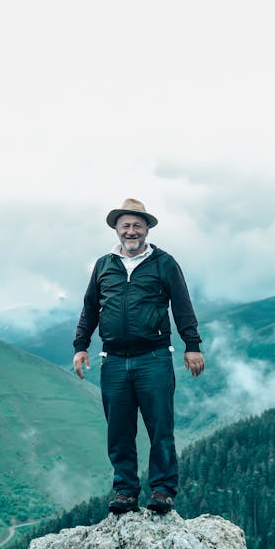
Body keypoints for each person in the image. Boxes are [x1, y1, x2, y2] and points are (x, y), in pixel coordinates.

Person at [73, 198, 204, 515]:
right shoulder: (104, 266)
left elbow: (182, 306)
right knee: (118, 430)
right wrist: (80, 345)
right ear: (117, 230)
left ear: (147, 229)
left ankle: (162, 490)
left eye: (137, 225)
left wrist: (193, 345)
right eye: (125, 226)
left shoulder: (164, 263)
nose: (131, 231)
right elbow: (90, 307)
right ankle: (125, 491)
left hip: (154, 358)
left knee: (160, 428)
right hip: (114, 360)